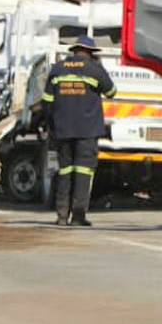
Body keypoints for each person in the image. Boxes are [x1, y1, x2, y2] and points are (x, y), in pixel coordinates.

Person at [42, 36, 116, 226]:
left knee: (64, 171)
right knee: (83, 172)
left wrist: (53, 124)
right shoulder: (94, 69)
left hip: (62, 129)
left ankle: (61, 215)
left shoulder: (57, 69)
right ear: (91, 53)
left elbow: (47, 101)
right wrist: (99, 68)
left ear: (74, 50)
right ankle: (78, 215)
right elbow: (111, 91)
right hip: (87, 130)